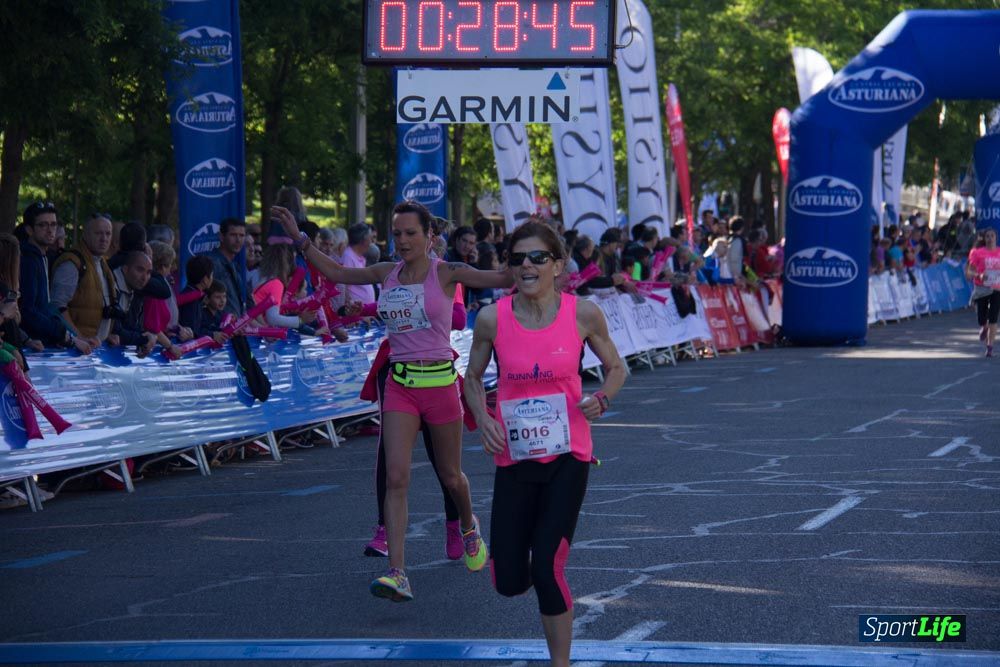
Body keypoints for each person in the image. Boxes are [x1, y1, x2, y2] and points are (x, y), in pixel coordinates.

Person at [272, 200, 513, 601]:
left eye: (410, 233)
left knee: (452, 476)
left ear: (429, 236)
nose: (401, 240)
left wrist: (534, 252)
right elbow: (335, 271)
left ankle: (469, 526)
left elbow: (503, 276)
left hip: (439, 385)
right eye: (396, 233)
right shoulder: (387, 273)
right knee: (396, 476)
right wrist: (300, 240)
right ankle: (397, 572)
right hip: (400, 383)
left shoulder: (448, 272)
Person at [463, 221, 626, 667]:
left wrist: (602, 398)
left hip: (568, 456)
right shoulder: (493, 318)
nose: (527, 266)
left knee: (548, 569)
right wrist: (482, 416)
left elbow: (617, 367)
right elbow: (472, 377)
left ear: (557, 264)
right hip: (515, 458)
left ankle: (561, 664)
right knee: (509, 580)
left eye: (537, 258)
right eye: (517, 259)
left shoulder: (582, 313)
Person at [18, 202, 92, 352]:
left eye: (53, 224)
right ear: (29, 230)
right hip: (32, 349)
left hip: (43, 344)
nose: (51, 230)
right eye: (43, 225)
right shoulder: (28, 261)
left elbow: (47, 308)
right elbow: (28, 311)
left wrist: (73, 336)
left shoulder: (42, 257)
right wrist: (67, 337)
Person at [50, 214, 116, 344]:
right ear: (85, 234)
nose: (104, 239)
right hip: (75, 352)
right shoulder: (71, 263)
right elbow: (57, 306)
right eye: (98, 233)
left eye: (108, 234)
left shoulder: (103, 264)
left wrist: (108, 335)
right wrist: (78, 338)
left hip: (95, 349)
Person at [111, 251, 157, 357]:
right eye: (140, 270)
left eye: (149, 272)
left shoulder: (132, 289)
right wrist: (144, 339)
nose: (144, 277)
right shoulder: (112, 287)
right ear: (125, 269)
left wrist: (147, 335)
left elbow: (128, 325)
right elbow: (116, 329)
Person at [966, 227, 1000, 357]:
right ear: (984, 239)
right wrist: (979, 275)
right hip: (982, 288)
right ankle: (983, 327)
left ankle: (990, 346)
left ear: (996, 238)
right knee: (982, 318)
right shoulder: (977, 253)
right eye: (988, 236)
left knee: (993, 318)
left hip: (997, 288)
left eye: (992, 236)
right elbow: (969, 272)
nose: (990, 238)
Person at [209, 218, 248, 317]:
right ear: (221, 237)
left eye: (242, 235)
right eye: (233, 235)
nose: (238, 240)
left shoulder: (235, 266)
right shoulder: (212, 263)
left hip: (234, 327)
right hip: (218, 328)